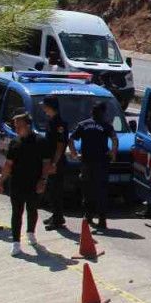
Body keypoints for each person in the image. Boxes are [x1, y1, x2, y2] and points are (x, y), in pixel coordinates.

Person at [0, 112, 48, 255]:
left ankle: (31, 233)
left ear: (28, 125)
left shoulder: (40, 141)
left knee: (32, 209)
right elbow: (8, 164)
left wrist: (43, 180)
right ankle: (16, 243)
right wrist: (1, 181)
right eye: (15, 126)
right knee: (16, 212)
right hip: (17, 183)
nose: (16, 128)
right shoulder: (15, 143)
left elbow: (46, 163)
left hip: (34, 182)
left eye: (19, 125)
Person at [69, 102, 118, 231]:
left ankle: (88, 216)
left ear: (91, 112)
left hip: (86, 162)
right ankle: (102, 220)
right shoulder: (106, 125)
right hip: (101, 163)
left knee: (87, 189)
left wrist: (74, 154)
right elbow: (114, 139)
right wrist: (113, 154)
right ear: (102, 113)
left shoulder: (83, 124)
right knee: (101, 190)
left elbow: (71, 138)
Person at [41, 96, 70, 231]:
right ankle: (55, 215)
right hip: (50, 160)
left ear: (51, 106)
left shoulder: (59, 123)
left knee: (56, 191)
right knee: (51, 190)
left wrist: (54, 163)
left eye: (45, 105)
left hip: (56, 162)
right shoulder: (51, 121)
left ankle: (58, 219)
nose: (43, 108)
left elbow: (60, 145)